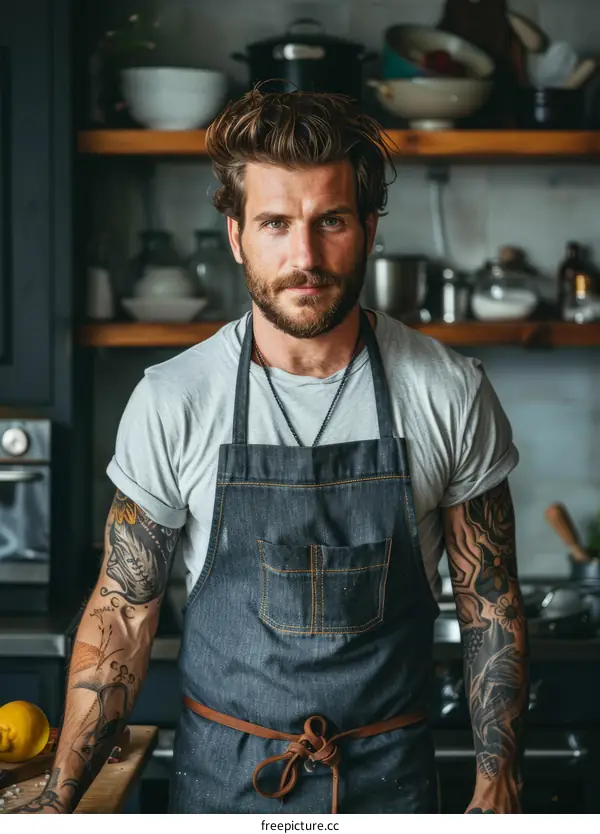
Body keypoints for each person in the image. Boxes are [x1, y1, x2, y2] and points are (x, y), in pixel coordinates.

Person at [14, 89, 529, 815]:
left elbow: (492, 603)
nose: (305, 256)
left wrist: (497, 783)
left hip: (389, 785)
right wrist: (60, 797)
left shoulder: (448, 391)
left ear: (370, 228)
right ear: (236, 233)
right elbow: (124, 610)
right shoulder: (175, 399)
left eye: (332, 222)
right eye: (276, 223)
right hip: (224, 783)